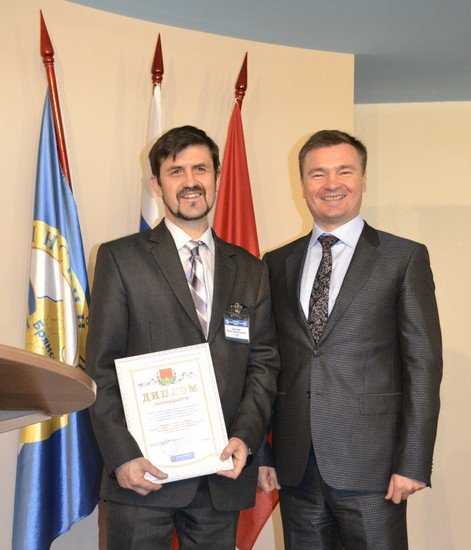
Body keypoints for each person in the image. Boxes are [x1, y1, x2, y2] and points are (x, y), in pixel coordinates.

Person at [86, 125, 279, 550]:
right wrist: (122, 455)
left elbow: (263, 364)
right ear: (156, 184)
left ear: (216, 178)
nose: (190, 181)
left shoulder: (251, 269)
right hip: (142, 475)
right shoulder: (120, 259)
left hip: (221, 472)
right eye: (176, 171)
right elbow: (101, 367)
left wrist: (245, 437)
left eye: (200, 169)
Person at [259, 129, 442, 550]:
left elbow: (423, 365)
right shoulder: (276, 263)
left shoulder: (403, 258)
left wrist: (413, 461)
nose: (331, 184)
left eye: (344, 171)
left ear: (362, 179)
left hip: (374, 469)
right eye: (317, 173)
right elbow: (268, 363)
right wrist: (264, 454)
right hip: (297, 468)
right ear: (302, 183)